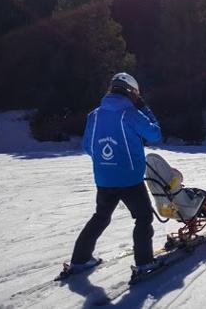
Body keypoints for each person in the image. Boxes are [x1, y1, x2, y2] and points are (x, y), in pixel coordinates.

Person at [62, 72, 162, 278]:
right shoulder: (131, 113)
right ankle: (145, 264)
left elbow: (88, 147)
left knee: (101, 217)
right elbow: (155, 134)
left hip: (104, 179)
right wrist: (144, 108)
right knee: (143, 217)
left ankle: (80, 260)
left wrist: (107, 163)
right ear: (132, 92)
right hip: (130, 179)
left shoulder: (95, 115)